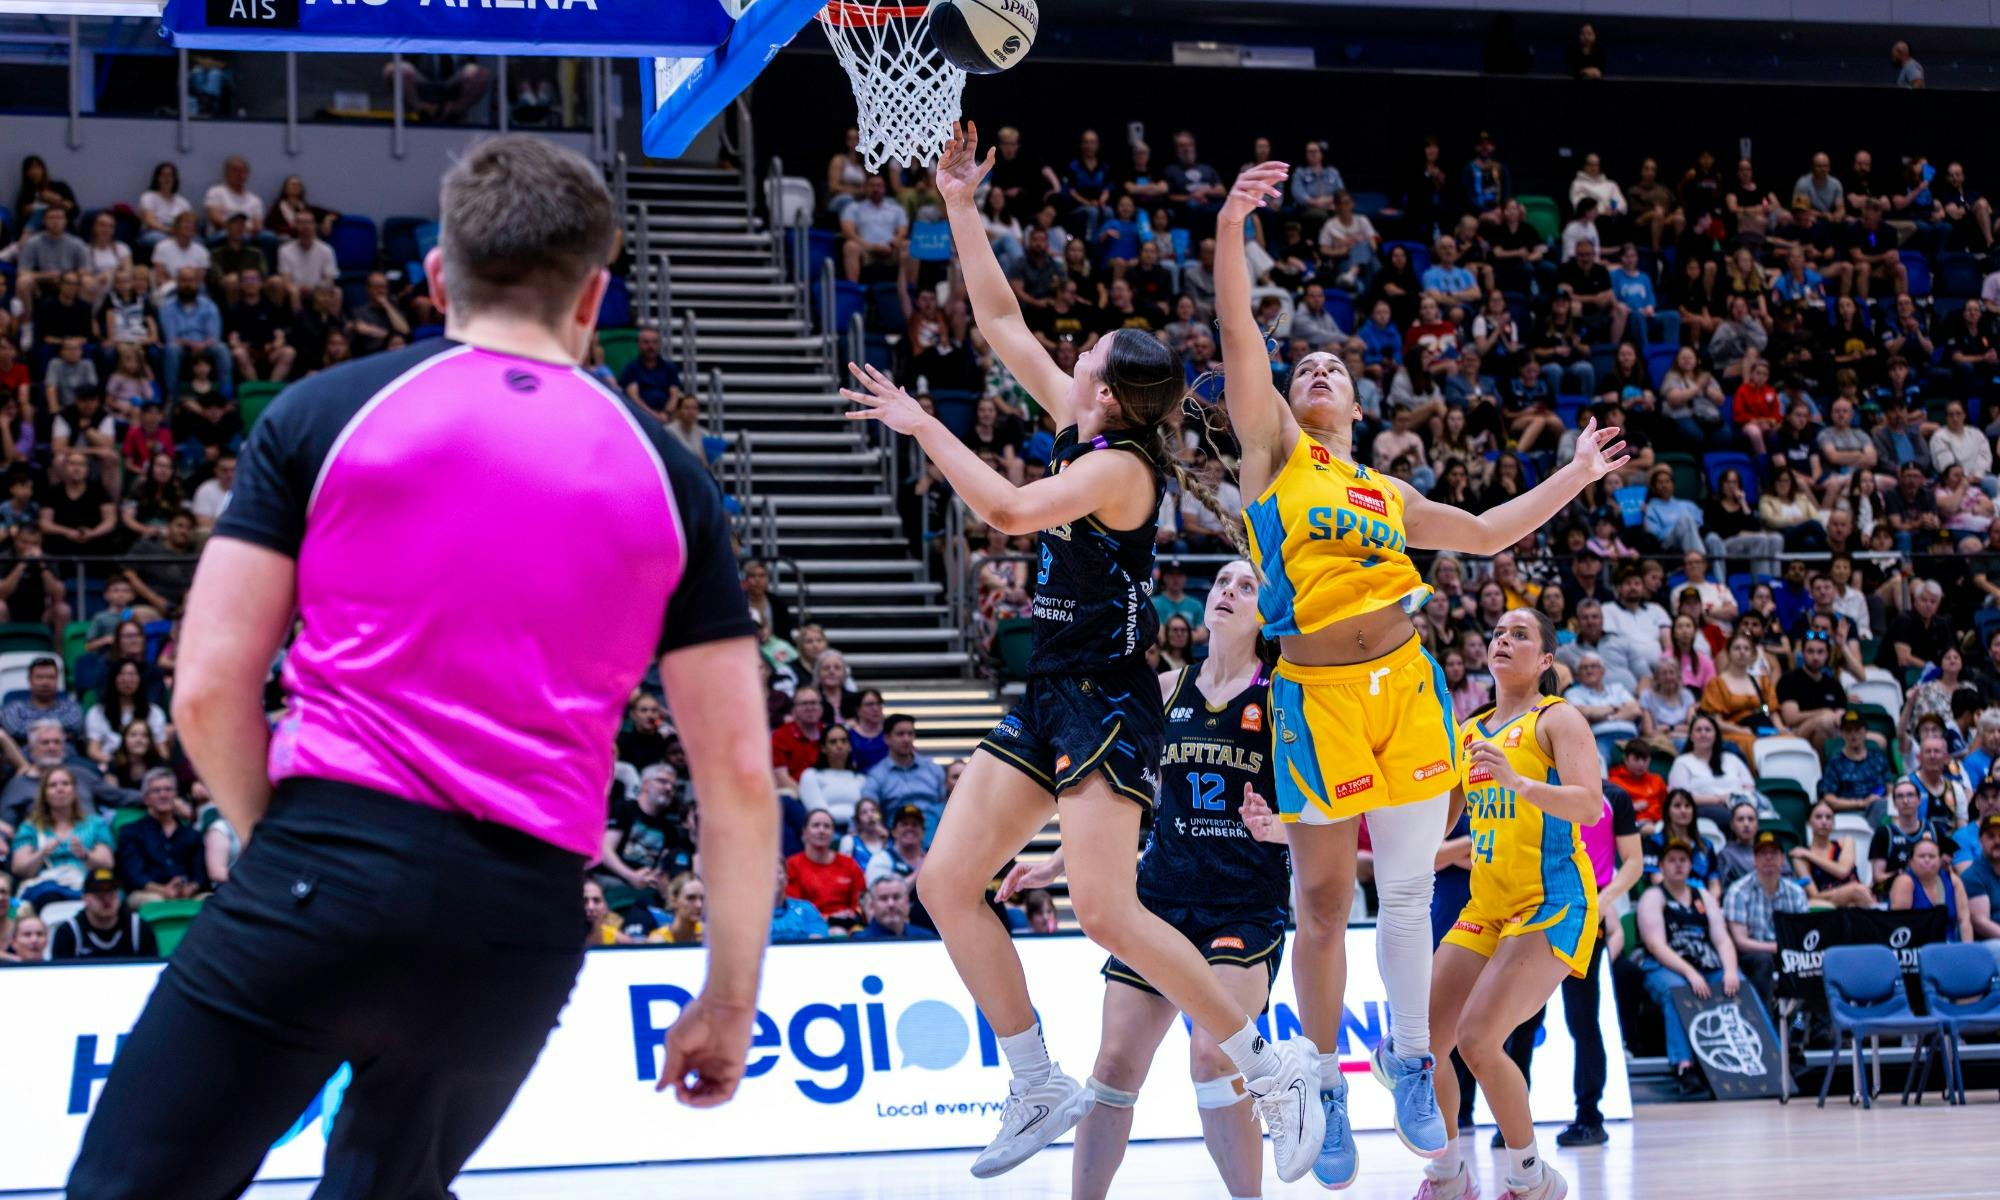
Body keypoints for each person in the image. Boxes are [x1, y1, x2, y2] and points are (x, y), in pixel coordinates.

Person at [66, 136, 779, 1199]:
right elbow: (738, 780)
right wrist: (726, 1000)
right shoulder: (669, 477)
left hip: (321, 862)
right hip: (518, 920)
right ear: (595, 296)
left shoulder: (325, 412)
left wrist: (290, 850)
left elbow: (207, 688)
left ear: (439, 277)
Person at [838, 124, 1318, 1181]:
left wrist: (924, 426)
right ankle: (1032, 1078)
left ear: (1104, 393)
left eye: (1091, 353)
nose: (1079, 351)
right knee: (945, 882)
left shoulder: (1119, 471)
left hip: (1108, 694)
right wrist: (960, 205)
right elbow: (1001, 319)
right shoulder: (1082, 416)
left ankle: (1266, 1064)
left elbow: (1008, 511)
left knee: (1104, 909)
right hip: (1051, 685)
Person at [1215, 159, 1629, 1183]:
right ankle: (1320, 1084)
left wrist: (1575, 474)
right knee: (1322, 906)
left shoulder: (1385, 491)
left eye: (1332, 368)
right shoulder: (1273, 453)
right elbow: (1239, 339)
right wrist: (1229, 228)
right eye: (1303, 368)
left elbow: (1486, 533)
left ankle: (1406, 1059)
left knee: (1403, 895)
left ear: (1358, 403)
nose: (1316, 372)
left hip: (1406, 688)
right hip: (1314, 695)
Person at [999, 558, 1290, 1200]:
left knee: (1214, 1055)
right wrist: (1057, 862)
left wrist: (1282, 830)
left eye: (1247, 586)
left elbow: (1326, 815)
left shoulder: (1281, 699)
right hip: (1157, 904)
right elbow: (1115, 794)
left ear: (1268, 614)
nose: (1228, 591)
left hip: (1243, 907)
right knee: (1112, 1065)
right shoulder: (1163, 690)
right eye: (1222, 582)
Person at [1399, 607, 1596, 1200]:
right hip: (1486, 907)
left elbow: (1589, 806)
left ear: (1545, 659)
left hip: (1551, 901)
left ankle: (1532, 1179)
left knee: (1479, 1040)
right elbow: (1439, 821)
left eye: (1520, 634)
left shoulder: (1557, 719)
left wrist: (1520, 783)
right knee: (1421, 1046)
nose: (1503, 639)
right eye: (1497, 633)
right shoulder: (1469, 732)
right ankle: (1448, 1176)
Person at [1637, 837, 1740, 1097]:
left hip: (1706, 964)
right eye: (1672, 860)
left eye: (1683, 860)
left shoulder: (1703, 895)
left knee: (1739, 983)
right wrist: (1690, 972)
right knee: (1678, 991)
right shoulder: (1653, 896)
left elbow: (1723, 940)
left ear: (1691, 865)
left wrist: (1730, 971)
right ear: (1662, 865)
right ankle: (1684, 1067)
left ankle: (1751, 1061)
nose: (1678, 865)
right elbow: (1656, 946)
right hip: (1665, 966)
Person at [1723, 830, 1809, 1015]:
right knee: (1763, 960)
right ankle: (1765, 1021)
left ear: (1783, 859)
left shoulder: (1796, 892)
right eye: (1763, 853)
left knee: (1816, 960)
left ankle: (1810, 1025)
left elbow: (1803, 933)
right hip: (1751, 955)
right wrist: (1776, 948)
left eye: (1774, 853)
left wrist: (1786, 949)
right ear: (1754, 859)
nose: (1769, 858)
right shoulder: (1738, 891)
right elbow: (1740, 942)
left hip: (1788, 953)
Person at [115, 768, 207, 907]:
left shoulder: (191, 834)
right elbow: (133, 876)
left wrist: (191, 888)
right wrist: (163, 890)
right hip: (148, 893)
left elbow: (200, 874)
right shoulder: (131, 832)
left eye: (168, 790)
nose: (163, 795)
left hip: (187, 893)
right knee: (155, 901)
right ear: (146, 799)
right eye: (156, 791)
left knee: (211, 900)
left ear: (175, 795)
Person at [50, 868, 160, 960]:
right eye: (99, 893)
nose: (106, 899)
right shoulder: (68, 933)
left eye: (111, 892)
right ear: (85, 898)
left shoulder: (139, 927)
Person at [784, 808, 867, 929]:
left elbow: (861, 902)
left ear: (833, 833)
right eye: (816, 825)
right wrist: (828, 918)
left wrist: (853, 914)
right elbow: (794, 908)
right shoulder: (792, 865)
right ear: (805, 832)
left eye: (827, 826)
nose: (821, 830)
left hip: (847, 927)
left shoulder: (849, 864)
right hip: (807, 927)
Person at [1870, 779, 1949, 899]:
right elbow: (1878, 878)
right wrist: (1904, 875)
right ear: (1894, 803)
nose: (1905, 801)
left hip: (1931, 893)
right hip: (1895, 894)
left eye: (1910, 795)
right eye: (1900, 796)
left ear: (1919, 800)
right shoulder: (1883, 833)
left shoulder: (1935, 830)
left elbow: (1946, 869)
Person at [1890, 834, 1975, 942]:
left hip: (1949, 945)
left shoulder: (1953, 881)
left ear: (1939, 860)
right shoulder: (1905, 882)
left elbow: (1964, 921)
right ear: (1911, 861)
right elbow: (1899, 925)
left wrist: (1968, 948)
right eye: (1921, 856)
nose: (1927, 860)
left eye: (1932, 856)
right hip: (1915, 946)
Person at [1793, 798, 1874, 908]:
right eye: (1818, 817)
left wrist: (1810, 855)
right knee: (1857, 891)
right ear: (1808, 822)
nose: (1824, 821)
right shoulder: (1800, 857)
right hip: (1827, 900)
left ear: (1833, 823)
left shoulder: (1845, 842)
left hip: (1857, 897)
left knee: (1856, 897)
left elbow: (1843, 871)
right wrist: (1847, 892)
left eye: (1828, 817)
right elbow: (1814, 895)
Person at [850, 874, 936, 941]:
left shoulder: (926, 938)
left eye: (896, 897)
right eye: (883, 898)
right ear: (872, 905)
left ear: (907, 902)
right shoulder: (857, 943)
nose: (891, 904)